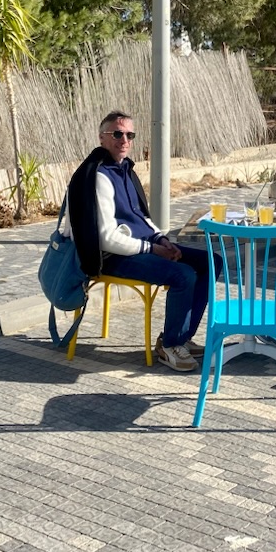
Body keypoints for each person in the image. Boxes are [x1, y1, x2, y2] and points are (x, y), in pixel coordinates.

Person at [61, 111, 215, 372]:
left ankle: (181, 336)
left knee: (211, 261)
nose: (124, 140)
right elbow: (106, 239)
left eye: (129, 135)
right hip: (110, 258)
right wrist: (152, 248)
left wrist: (162, 240)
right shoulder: (99, 176)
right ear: (102, 138)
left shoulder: (124, 170)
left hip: (140, 247)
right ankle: (171, 345)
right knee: (183, 275)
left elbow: (140, 217)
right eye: (117, 134)